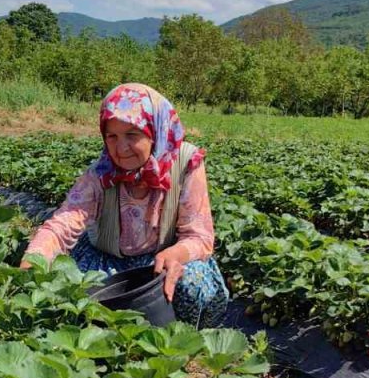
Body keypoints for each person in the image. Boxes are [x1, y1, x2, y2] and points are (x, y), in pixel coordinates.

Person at [23, 83, 229, 328]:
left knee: (191, 281)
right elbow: (63, 222)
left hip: (164, 260)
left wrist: (175, 254)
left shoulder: (185, 163)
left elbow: (200, 236)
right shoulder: (101, 173)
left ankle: (185, 338)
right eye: (112, 136)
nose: (121, 148)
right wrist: (32, 261)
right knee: (76, 295)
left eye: (132, 134)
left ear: (155, 131)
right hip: (107, 260)